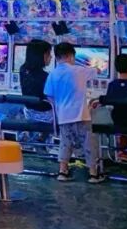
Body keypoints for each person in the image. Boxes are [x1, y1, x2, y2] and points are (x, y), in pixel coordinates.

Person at [44, 42, 104, 183]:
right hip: (81, 115)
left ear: (56, 57)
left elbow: (49, 95)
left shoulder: (52, 74)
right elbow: (97, 70)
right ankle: (93, 174)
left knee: (65, 144)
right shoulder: (79, 70)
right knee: (88, 144)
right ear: (71, 56)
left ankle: (63, 172)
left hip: (64, 116)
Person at [20, 39, 54, 122]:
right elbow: (51, 98)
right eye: (49, 54)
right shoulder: (45, 76)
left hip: (28, 113)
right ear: (42, 56)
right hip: (45, 115)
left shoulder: (23, 69)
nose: (51, 57)